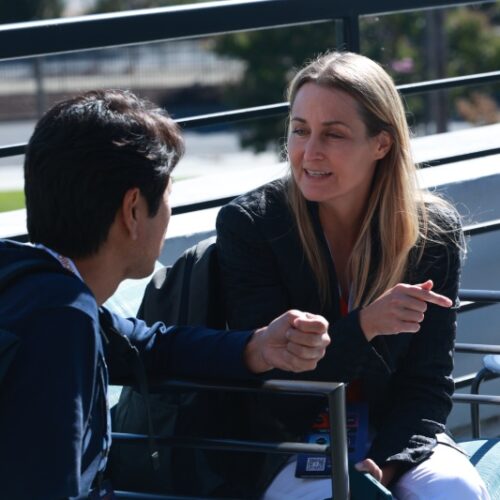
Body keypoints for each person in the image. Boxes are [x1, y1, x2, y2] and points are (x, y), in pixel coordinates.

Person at [0, 89, 331, 500]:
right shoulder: (60, 320)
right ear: (133, 211)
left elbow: (142, 345)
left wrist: (257, 347)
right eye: (168, 196)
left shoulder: (30, 283)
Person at [215, 52, 490, 499]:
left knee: (456, 490)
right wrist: (364, 326)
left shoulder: (431, 232)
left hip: (394, 430)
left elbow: (427, 383)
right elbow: (279, 393)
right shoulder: (254, 225)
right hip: (294, 440)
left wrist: (388, 464)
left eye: (334, 134)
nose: (310, 152)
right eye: (300, 130)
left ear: (381, 144)